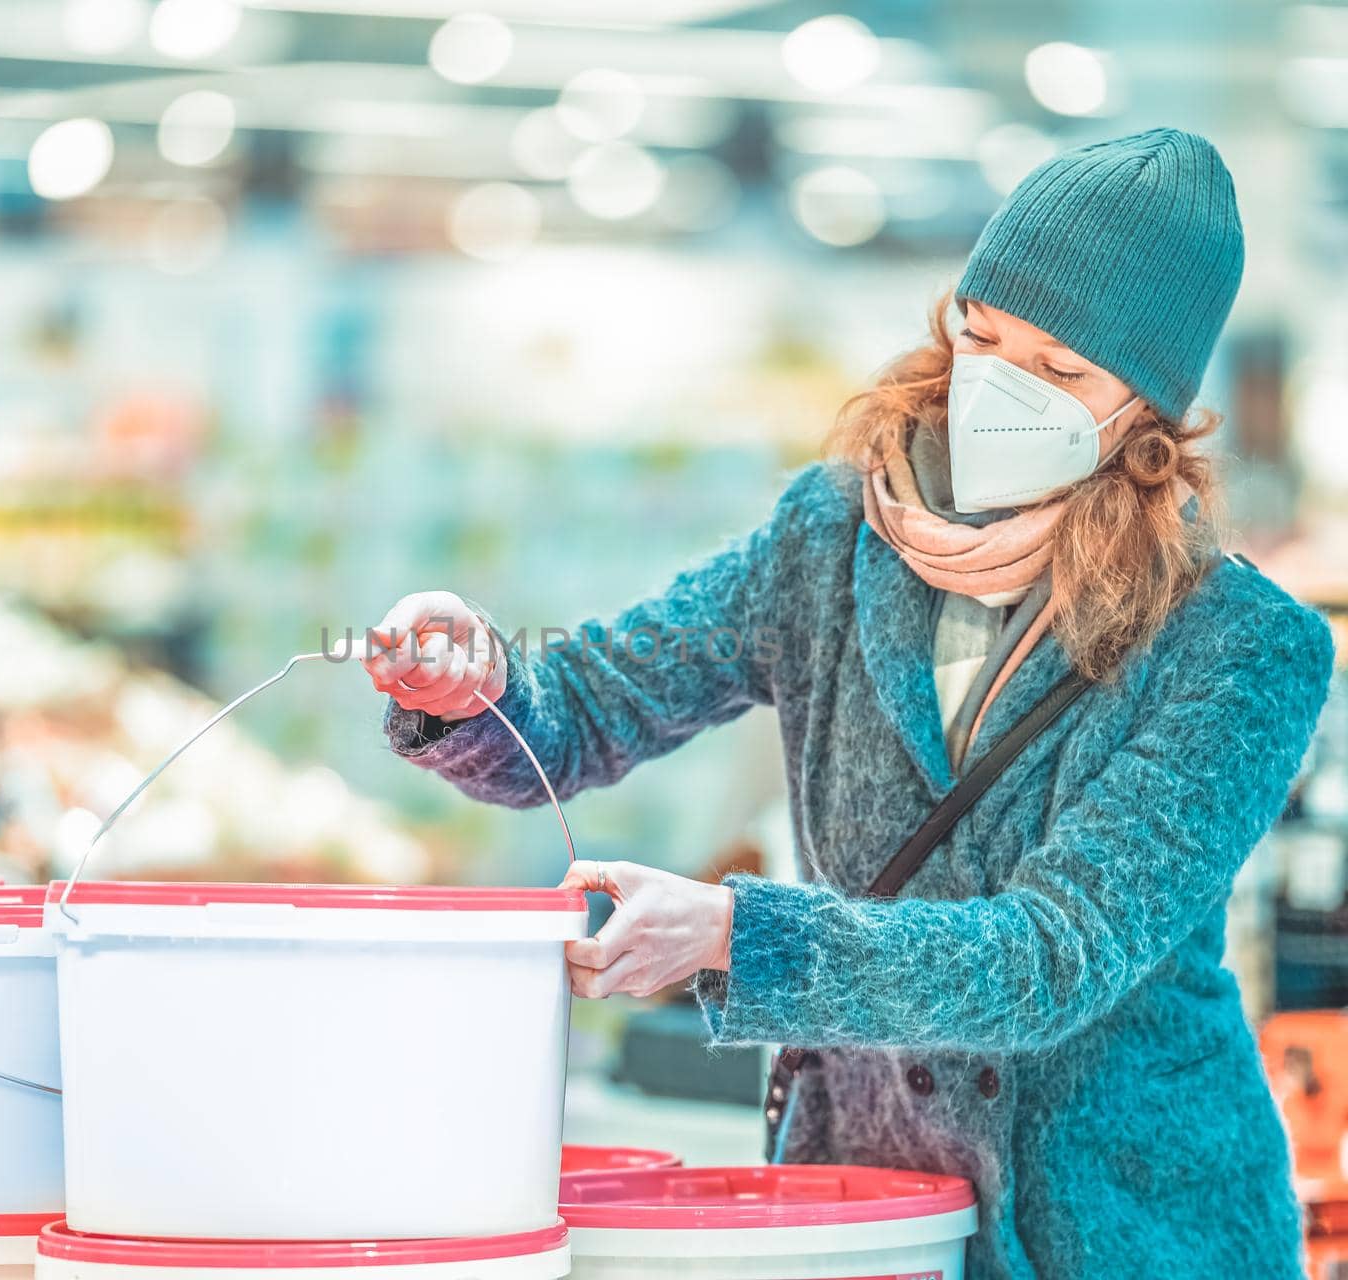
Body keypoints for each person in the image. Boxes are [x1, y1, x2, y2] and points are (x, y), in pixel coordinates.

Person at [360, 128, 1336, 1278]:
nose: (1000, 387)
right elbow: (584, 706)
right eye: (982, 335)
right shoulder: (829, 535)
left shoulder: (1240, 647)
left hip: (1128, 1228)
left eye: (1062, 372)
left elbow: (1050, 958)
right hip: (869, 1211)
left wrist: (738, 931)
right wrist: (471, 686)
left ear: (1148, 407)